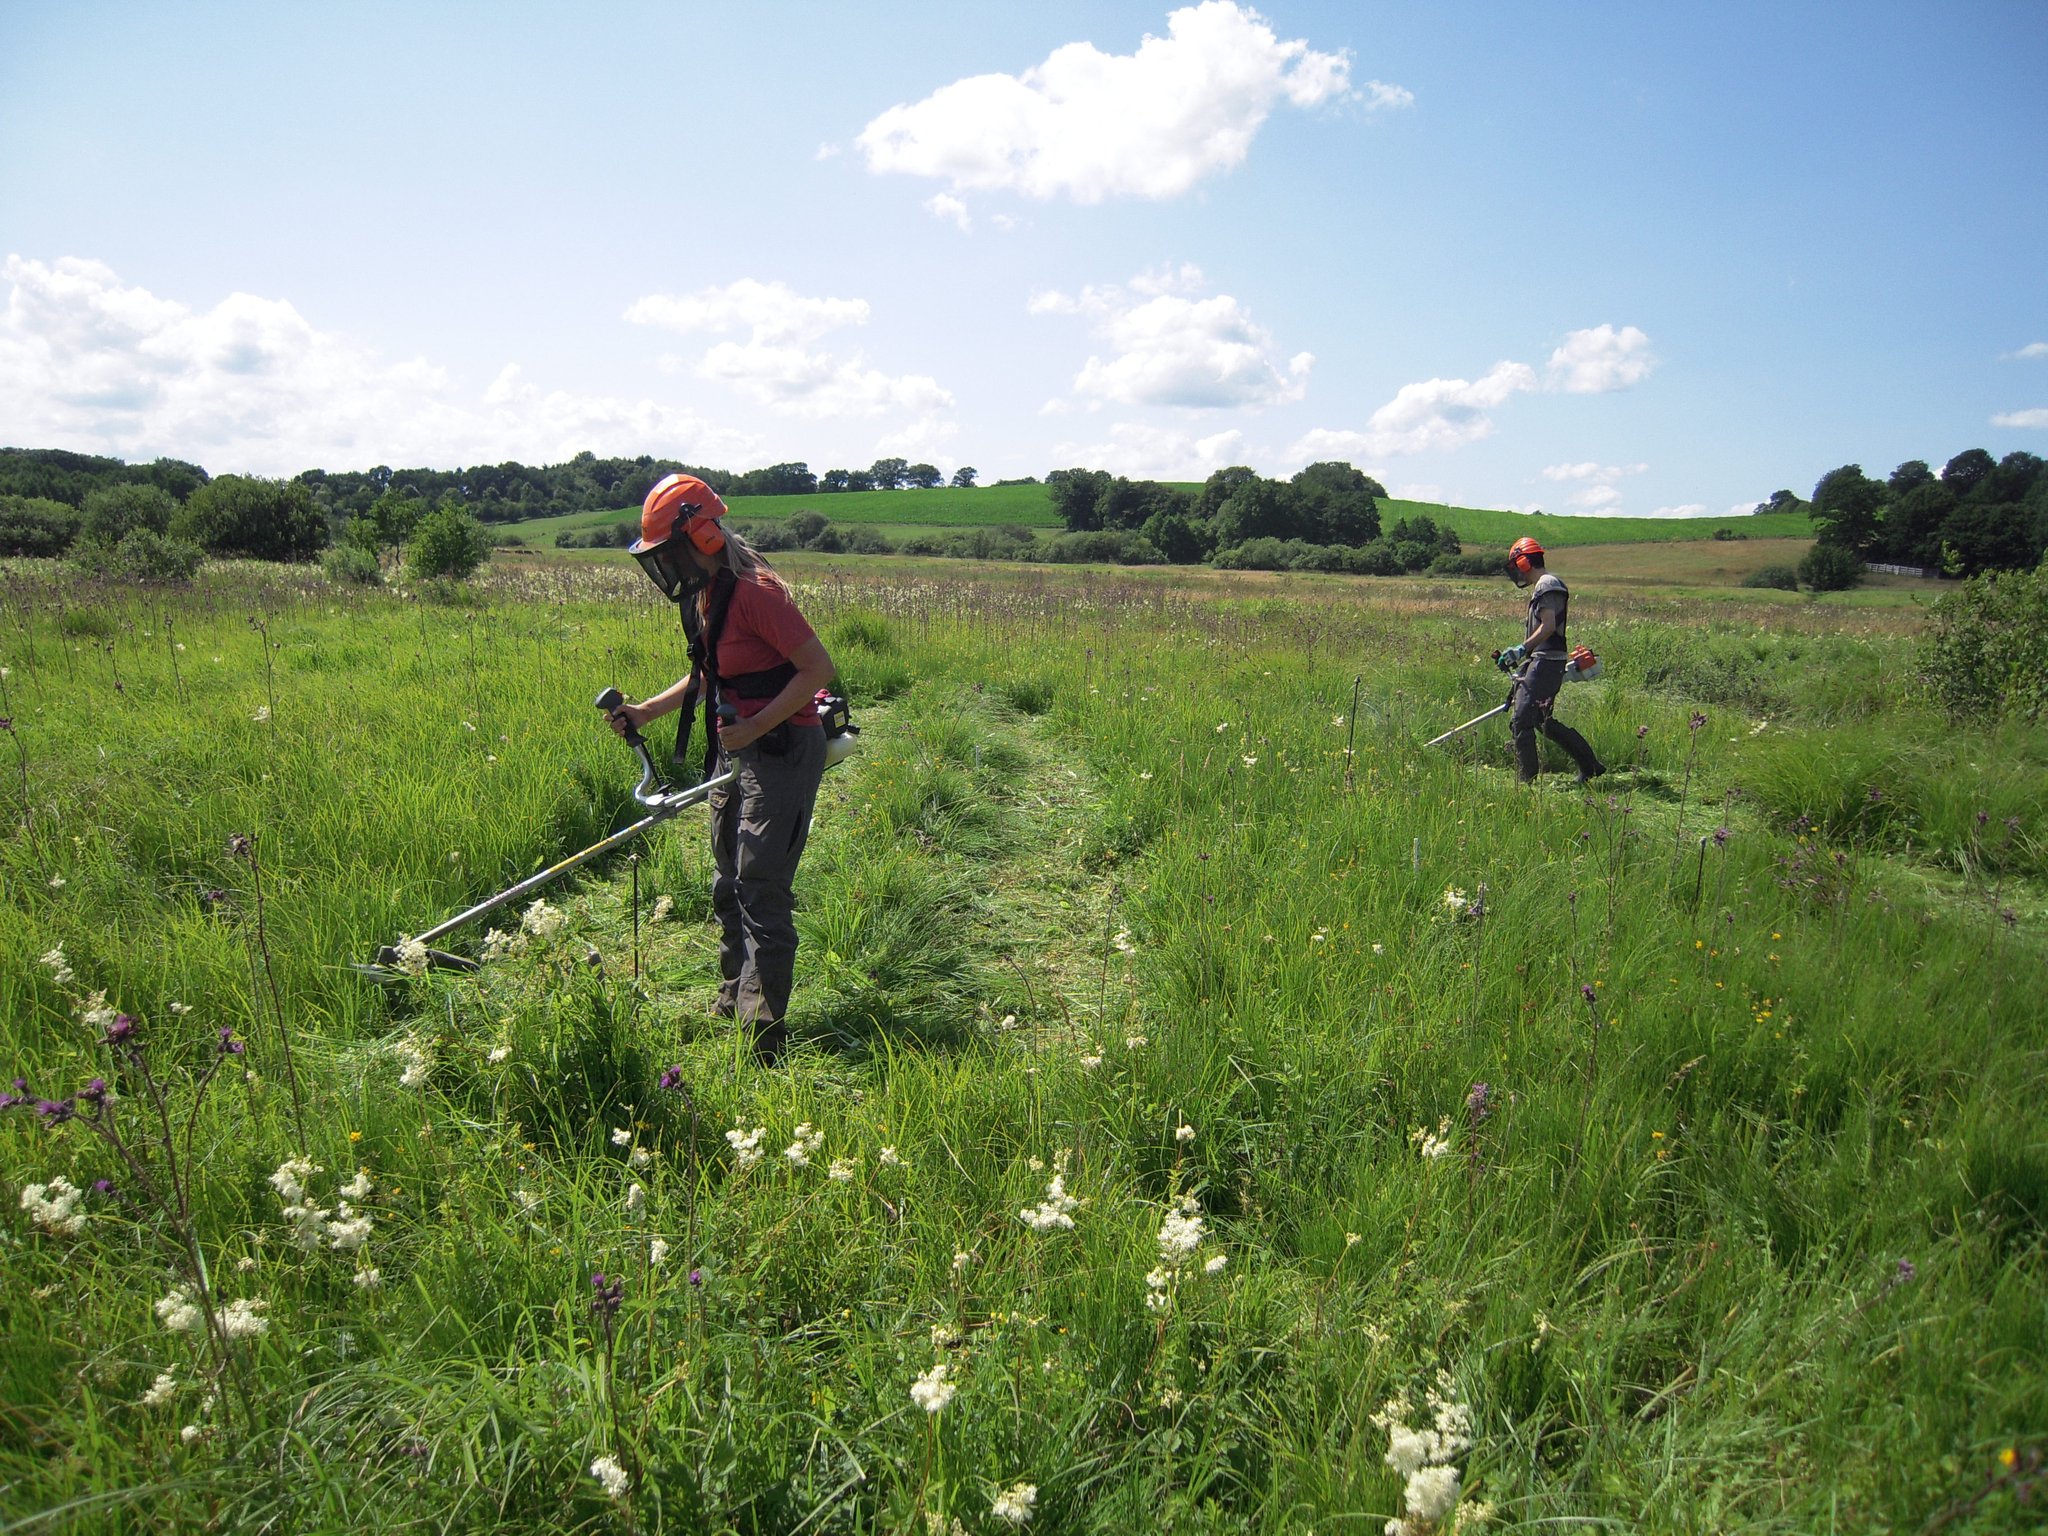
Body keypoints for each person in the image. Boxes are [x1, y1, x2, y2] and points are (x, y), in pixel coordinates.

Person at [606, 473, 836, 1063]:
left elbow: (817, 670)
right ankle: (733, 997)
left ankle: (764, 1034)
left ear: (702, 537)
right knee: (727, 882)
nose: (665, 568)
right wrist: (647, 711)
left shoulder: (757, 592)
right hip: (739, 750)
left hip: (782, 749)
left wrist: (757, 727)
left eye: (670, 553)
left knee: (760, 885)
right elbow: (712, 672)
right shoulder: (712, 595)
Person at [1496, 536, 1605, 785]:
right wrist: (1522, 658)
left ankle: (1526, 782)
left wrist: (1520, 649)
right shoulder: (1543, 586)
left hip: (1547, 662)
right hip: (1542, 661)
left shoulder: (1547, 584)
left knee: (1521, 720)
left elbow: (1548, 626)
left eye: (1516, 566)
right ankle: (1591, 765)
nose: (1516, 573)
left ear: (1523, 562)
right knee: (1540, 721)